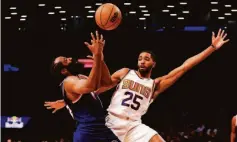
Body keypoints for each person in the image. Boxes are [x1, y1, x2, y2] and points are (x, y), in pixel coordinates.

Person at [93, 29, 229, 142]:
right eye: (140, 59)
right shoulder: (125, 73)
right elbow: (104, 85)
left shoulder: (155, 85)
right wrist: (99, 60)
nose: (142, 61)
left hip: (134, 125)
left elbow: (185, 67)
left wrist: (211, 48)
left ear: (154, 64)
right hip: (112, 122)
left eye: (146, 59)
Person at [47, 31, 119, 142]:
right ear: (64, 70)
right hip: (88, 133)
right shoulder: (69, 81)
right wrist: (97, 55)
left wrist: (100, 59)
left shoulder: (79, 77)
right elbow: (91, 86)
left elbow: (107, 83)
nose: (70, 58)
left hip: (102, 129)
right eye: (66, 60)